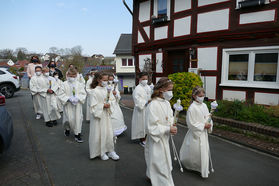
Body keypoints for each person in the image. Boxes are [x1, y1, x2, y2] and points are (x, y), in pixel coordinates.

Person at [145, 78, 177, 186]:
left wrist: (172, 125)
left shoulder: (167, 103)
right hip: (156, 140)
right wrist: (167, 129)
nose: (171, 92)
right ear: (161, 90)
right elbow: (151, 127)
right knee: (158, 162)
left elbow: (170, 117)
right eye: (169, 89)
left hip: (164, 138)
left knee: (163, 161)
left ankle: (151, 176)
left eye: (171, 89)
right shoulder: (153, 105)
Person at [179, 86, 213, 178]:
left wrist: (209, 123)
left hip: (203, 133)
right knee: (195, 151)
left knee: (203, 151)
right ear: (194, 96)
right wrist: (202, 126)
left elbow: (208, 117)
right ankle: (192, 165)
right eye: (200, 96)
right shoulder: (192, 108)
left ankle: (203, 168)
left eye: (203, 95)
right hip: (195, 133)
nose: (202, 97)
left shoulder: (204, 105)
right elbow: (191, 123)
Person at [88, 72, 119, 161]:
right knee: (99, 133)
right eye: (104, 80)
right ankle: (100, 152)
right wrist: (102, 106)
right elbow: (92, 105)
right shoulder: (94, 91)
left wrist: (110, 104)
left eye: (107, 80)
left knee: (109, 133)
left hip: (106, 115)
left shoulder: (107, 89)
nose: (106, 82)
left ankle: (110, 150)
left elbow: (113, 100)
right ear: (98, 80)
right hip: (98, 117)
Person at [58, 67, 86, 143]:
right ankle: (67, 128)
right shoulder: (64, 84)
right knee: (68, 119)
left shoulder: (79, 84)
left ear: (76, 76)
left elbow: (83, 93)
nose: (72, 78)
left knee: (78, 119)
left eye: (74, 76)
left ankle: (77, 134)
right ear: (67, 75)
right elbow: (60, 94)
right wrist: (68, 98)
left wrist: (78, 98)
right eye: (70, 76)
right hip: (68, 104)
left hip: (77, 105)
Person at [131, 72, 152, 146]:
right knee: (141, 125)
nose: (145, 80)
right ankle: (142, 140)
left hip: (148, 108)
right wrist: (146, 102)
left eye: (146, 79)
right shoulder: (137, 89)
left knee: (147, 124)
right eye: (143, 79)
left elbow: (150, 95)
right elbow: (137, 100)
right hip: (141, 110)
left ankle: (146, 138)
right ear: (139, 79)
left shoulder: (148, 87)